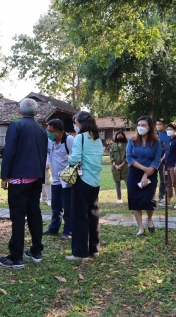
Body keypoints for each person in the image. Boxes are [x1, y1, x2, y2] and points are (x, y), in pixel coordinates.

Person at [0, 98, 48, 269]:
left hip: (19, 180)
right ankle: (36, 251)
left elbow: (9, 151)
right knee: (35, 214)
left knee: (18, 217)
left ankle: (16, 257)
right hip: (36, 179)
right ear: (36, 113)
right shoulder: (42, 130)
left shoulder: (16, 125)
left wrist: (4, 176)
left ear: (19, 112)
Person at [65, 111, 103, 262]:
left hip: (82, 180)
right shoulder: (97, 139)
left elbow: (75, 159)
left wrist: (68, 158)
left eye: (75, 123)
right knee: (93, 213)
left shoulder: (79, 138)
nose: (74, 126)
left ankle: (80, 253)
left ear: (80, 124)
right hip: (95, 180)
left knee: (79, 216)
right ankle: (94, 248)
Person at [126, 116, 162, 237]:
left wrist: (146, 174)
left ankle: (149, 219)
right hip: (134, 173)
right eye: (139, 125)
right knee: (135, 201)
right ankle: (141, 228)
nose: (140, 127)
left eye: (143, 125)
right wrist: (143, 169)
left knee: (148, 200)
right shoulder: (132, 141)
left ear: (149, 127)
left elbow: (157, 159)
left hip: (150, 174)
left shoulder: (156, 142)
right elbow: (129, 158)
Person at [43, 119, 74, 240]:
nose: (48, 133)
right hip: (55, 178)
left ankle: (68, 231)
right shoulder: (50, 140)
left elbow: (76, 156)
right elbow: (48, 154)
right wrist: (47, 164)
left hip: (67, 179)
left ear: (58, 132)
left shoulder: (69, 140)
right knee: (55, 206)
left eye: (50, 131)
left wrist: (70, 157)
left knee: (68, 207)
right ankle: (53, 227)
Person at [161, 122, 176, 209]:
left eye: (171, 130)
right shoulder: (168, 139)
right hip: (166, 165)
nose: (169, 131)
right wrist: (162, 159)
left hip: (174, 165)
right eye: (168, 129)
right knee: (168, 183)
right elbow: (166, 151)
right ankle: (168, 201)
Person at [109, 130, 129, 203]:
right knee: (117, 183)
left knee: (128, 183)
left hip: (125, 167)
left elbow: (128, 156)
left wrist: (121, 165)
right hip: (115, 168)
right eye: (118, 136)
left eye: (121, 136)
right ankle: (119, 198)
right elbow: (111, 156)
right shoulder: (113, 145)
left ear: (124, 137)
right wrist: (115, 165)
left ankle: (130, 198)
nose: (119, 138)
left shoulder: (127, 145)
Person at [156, 118, 169, 206]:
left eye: (160, 124)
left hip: (164, 158)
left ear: (164, 125)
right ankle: (150, 196)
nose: (158, 126)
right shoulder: (153, 134)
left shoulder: (168, 135)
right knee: (152, 178)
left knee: (163, 179)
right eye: (157, 124)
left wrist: (161, 142)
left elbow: (169, 147)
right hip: (154, 158)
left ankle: (161, 197)